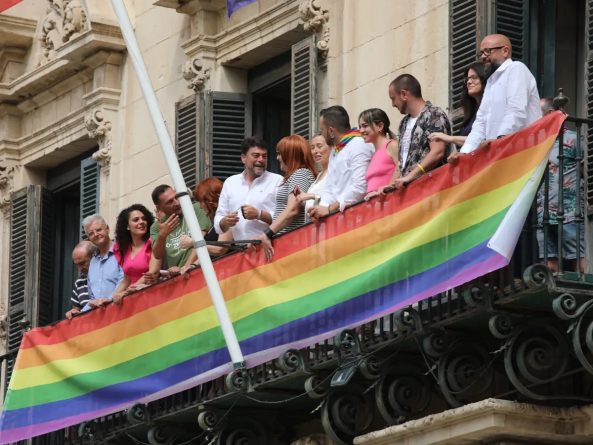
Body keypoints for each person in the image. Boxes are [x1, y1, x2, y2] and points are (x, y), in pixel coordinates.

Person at [454, 34, 540, 156]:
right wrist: (464, 152)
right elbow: (480, 122)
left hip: (521, 154)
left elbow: (516, 110)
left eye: (488, 51)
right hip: (498, 155)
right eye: (481, 53)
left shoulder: (516, 69)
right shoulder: (490, 82)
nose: (483, 56)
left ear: (505, 51)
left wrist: (500, 140)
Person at [536, 98, 584, 273]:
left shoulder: (573, 138)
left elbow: (585, 171)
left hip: (569, 211)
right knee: (549, 261)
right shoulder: (537, 143)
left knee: (578, 257)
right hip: (544, 212)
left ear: (549, 115)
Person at [308, 106, 373, 220]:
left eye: (322, 130)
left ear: (331, 131)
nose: (322, 134)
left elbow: (359, 187)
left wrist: (329, 209)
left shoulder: (359, 145)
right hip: (338, 219)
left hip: (359, 218)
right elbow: (329, 188)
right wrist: (320, 210)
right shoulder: (335, 150)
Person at [386, 74, 451, 190]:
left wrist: (410, 176)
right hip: (410, 194)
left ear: (404, 94)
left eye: (393, 98)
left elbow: (438, 152)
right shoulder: (403, 124)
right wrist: (389, 187)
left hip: (433, 189)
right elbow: (401, 163)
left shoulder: (433, 114)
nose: (393, 104)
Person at [259, 135, 317, 259]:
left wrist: (267, 233)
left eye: (280, 154)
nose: (277, 157)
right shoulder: (294, 176)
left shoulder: (300, 174)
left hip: (293, 244)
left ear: (290, 155)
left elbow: (293, 210)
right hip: (286, 243)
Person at [214, 137, 283, 240]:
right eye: (256, 156)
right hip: (241, 251)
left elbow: (285, 217)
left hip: (270, 248)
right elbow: (219, 219)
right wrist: (224, 221)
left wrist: (260, 214)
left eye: (264, 156)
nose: (261, 160)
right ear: (243, 158)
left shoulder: (277, 181)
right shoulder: (230, 182)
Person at [150, 184, 212, 274]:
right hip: (179, 276)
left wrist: (185, 267)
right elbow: (158, 255)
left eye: (176, 197)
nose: (176, 203)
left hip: (200, 268)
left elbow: (200, 242)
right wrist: (162, 235)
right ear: (159, 207)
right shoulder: (156, 227)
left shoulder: (196, 208)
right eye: (169, 202)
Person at [429, 61, 487, 147]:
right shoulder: (472, 112)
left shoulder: (490, 108)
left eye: (474, 78)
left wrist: (450, 138)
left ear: (483, 79)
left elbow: (480, 139)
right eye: (467, 79)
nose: (469, 82)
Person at [111, 204, 159, 304]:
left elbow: (152, 272)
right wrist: (114, 297)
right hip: (132, 299)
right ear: (127, 226)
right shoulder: (122, 248)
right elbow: (127, 279)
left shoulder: (153, 241)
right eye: (136, 220)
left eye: (144, 219)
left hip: (151, 295)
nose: (141, 222)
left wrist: (126, 292)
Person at [179, 177, 233, 257]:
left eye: (201, 201)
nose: (200, 206)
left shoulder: (227, 215)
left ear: (210, 199)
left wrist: (192, 242)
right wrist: (192, 265)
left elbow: (220, 249)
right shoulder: (217, 221)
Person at [82, 214, 124, 309]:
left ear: (107, 229)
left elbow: (125, 282)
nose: (96, 234)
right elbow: (92, 297)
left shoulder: (122, 251)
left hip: (121, 311)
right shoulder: (92, 262)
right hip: (101, 318)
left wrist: (109, 300)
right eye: (91, 233)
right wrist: (78, 314)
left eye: (99, 230)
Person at [358, 108, 400, 199]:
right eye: (360, 127)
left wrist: (390, 186)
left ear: (380, 126)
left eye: (365, 126)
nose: (361, 130)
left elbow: (402, 168)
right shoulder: (374, 154)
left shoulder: (392, 145)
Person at [296, 134, 331, 218]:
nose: (315, 151)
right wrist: (302, 198)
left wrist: (311, 195)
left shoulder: (335, 171)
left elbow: (335, 199)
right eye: (312, 148)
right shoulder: (319, 175)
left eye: (319, 146)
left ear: (331, 147)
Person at [65, 240, 97, 319]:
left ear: (94, 256)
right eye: (77, 265)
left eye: (82, 263)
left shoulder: (107, 276)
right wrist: (72, 312)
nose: (79, 269)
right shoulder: (79, 282)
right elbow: (76, 309)